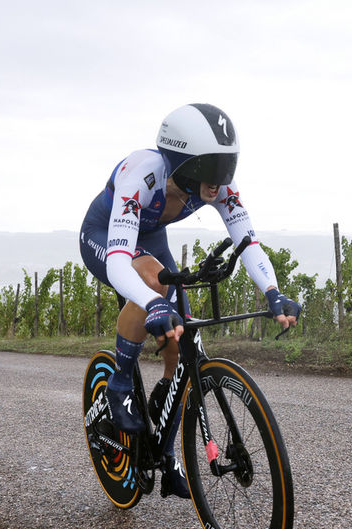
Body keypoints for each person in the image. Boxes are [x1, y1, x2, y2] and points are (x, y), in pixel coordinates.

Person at [79, 103, 301, 499]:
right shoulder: (142, 173)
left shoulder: (216, 188)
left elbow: (248, 243)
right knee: (153, 286)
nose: (220, 182)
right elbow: (118, 263)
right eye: (211, 169)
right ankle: (118, 383)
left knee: (182, 339)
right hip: (105, 236)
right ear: (182, 164)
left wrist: (273, 291)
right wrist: (152, 302)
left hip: (150, 242)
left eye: (226, 168)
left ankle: (165, 440)